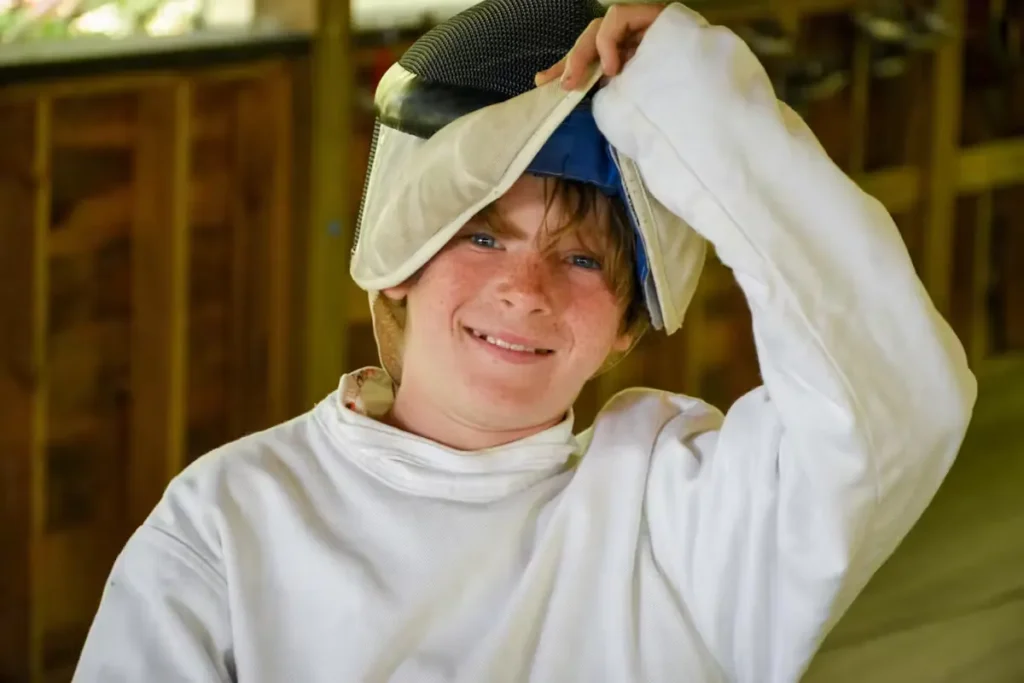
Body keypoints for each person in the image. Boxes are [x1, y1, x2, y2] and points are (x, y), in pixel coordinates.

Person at [72, 3, 976, 682]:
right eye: (481, 235)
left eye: (582, 257)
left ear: (628, 326)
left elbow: (898, 393)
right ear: (398, 259)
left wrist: (697, 105)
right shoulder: (232, 518)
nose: (526, 288)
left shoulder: (675, 511)